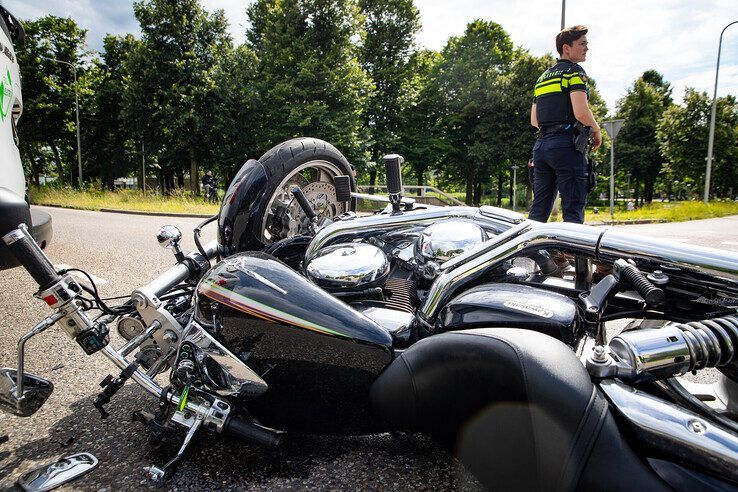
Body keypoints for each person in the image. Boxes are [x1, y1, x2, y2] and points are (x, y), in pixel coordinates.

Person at [529, 25, 602, 224]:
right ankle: (572, 255)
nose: (587, 48)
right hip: (566, 147)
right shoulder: (574, 73)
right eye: (582, 44)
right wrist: (596, 130)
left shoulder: (542, 79)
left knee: (538, 212)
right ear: (566, 48)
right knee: (573, 211)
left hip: (542, 148)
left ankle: (533, 254)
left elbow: (534, 120)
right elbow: (581, 111)